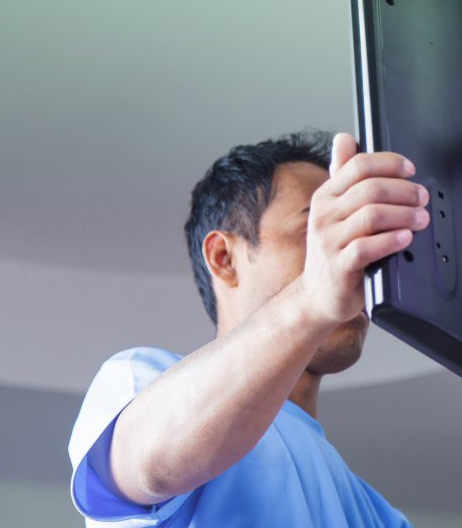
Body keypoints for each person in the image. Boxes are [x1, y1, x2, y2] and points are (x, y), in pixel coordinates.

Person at [67, 131, 429, 527]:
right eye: (315, 231)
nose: (351, 259)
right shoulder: (137, 383)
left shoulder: (378, 516)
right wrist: (310, 298)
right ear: (224, 258)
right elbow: (148, 463)